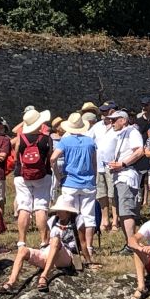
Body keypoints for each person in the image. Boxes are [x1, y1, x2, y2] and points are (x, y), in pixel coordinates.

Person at [0, 197, 81, 294]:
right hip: (49, 251)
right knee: (22, 250)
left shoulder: (77, 220)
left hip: (66, 254)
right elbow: (46, 240)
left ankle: (44, 276)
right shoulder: (53, 220)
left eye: (60, 210)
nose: (57, 212)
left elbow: (83, 242)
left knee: (55, 240)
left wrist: (87, 260)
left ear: (67, 211)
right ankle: (11, 282)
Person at [51, 112, 98, 266]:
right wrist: (94, 178)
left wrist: (59, 176)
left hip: (70, 182)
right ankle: (88, 247)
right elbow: (94, 163)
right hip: (88, 182)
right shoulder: (90, 142)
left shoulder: (65, 141)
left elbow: (53, 158)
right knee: (88, 216)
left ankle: (72, 245)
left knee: (70, 215)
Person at [106, 110, 145, 254]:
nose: (112, 122)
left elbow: (139, 151)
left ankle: (132, 245)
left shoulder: (132, 132)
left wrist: (123, 164)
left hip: (126, 176)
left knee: (126, 211)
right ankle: (129, 243)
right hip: (119, 176)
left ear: (123, 120)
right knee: (122, 211)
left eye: (114, 120)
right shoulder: (122, 133)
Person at [90, 101, 119, 234]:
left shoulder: (118, 127)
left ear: (113, 111)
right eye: (102, 111)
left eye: (106, 111)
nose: (103, 114)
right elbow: (88, 139)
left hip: (113, 165)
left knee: (113, 194)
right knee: (101, 194)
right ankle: (105, 219)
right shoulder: (97, 126)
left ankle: (115, 221)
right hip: (99, 164)